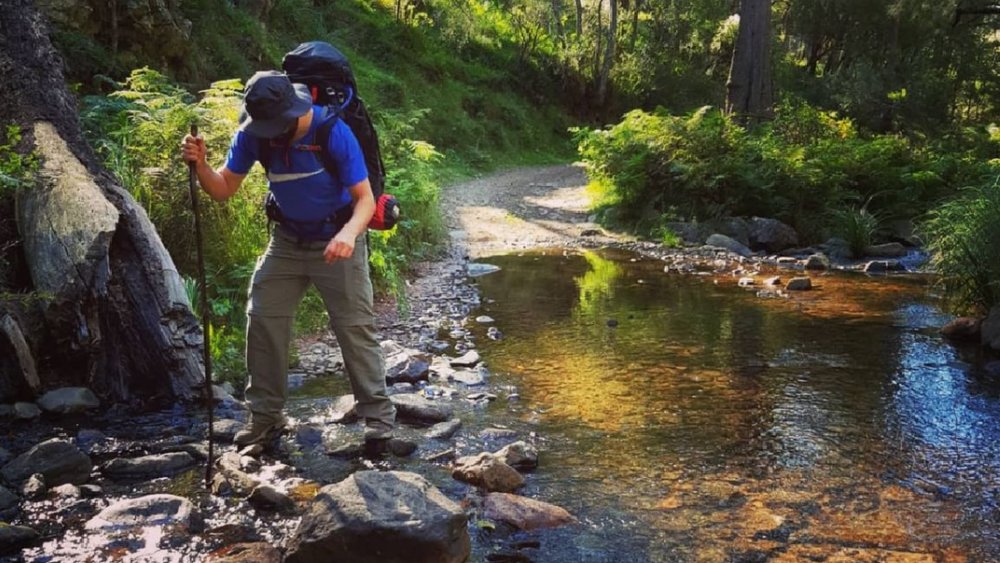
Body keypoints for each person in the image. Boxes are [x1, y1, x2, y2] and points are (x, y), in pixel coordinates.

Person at [181, 70, 397, 449]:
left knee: (354, 327)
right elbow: (223, 189)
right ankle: (266, 418)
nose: (270, 132)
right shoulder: (254, 133)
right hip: (286, 240)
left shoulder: (331, 131)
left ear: (294, 110)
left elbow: (364, 200)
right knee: (262, 316)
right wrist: (201, 166)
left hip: (338, 237)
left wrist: (347, 235)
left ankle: (378, 419)